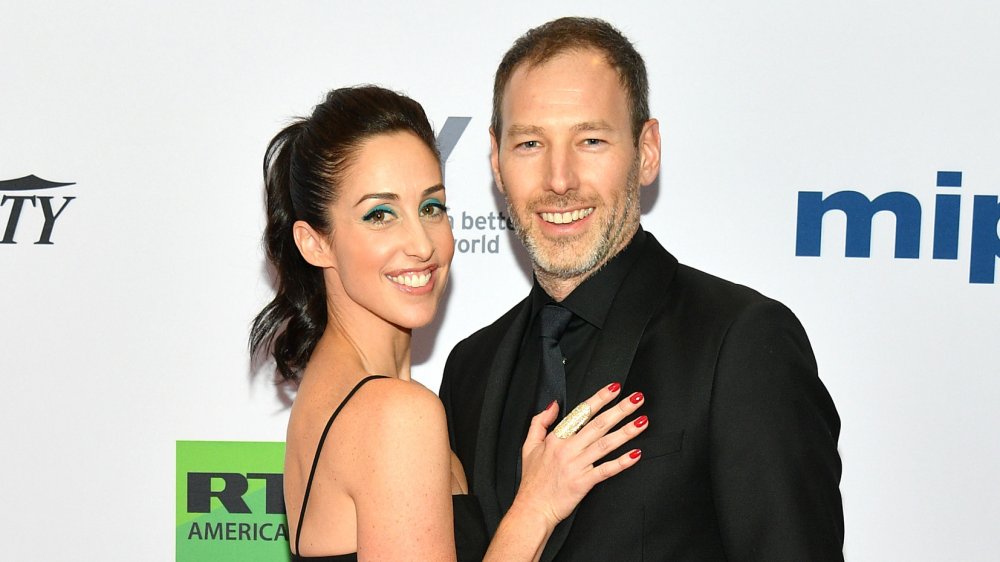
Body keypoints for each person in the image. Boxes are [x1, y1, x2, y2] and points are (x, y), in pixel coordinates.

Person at [440, 17, 845, 561]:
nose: (560, 180)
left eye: (591, 140)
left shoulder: (741, 343)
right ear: (496, 160)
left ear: (646, 150)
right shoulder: (470, 368)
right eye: (531, 143)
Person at [251, 85, 649, 561]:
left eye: (430, 207)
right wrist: (536, 507)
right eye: (380, 214)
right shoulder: (395, 413)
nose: (421, 243)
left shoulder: (331, 395)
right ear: (314, 243)